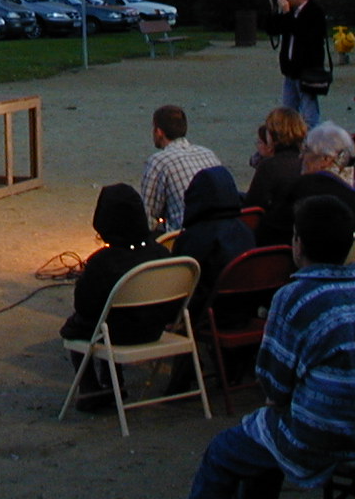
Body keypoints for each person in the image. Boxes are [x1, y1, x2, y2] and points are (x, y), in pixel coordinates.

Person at [187, 195, 355, 499]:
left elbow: (273, 382)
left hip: (319, 434)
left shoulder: (295, 296)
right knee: (261, 442)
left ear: (298, 244)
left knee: (223, 451)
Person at [61, 182, 174, 411]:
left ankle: (91, 386)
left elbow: (84, 306)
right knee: (106, 319)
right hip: (155, 328)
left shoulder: (102, 262)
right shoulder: (161, 254)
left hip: (118, 333)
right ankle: (113, 380)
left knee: (78, 326)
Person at [256, 122, 355, 247]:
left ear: (326, 159)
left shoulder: (305, 188)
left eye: (307, 150)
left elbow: (267, 232)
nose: (301, 156)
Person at [174, 165, 256, 314]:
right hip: (245, 309)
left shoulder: (195, 237)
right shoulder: (245, 230)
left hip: (209, 313)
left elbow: (179, 286)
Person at [140, 104, 221, 232]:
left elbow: (146, 216)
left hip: (186, 237)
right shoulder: (208, 154)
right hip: (220, 230)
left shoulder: (158, 161)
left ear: (159, 132)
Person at [273, 0, 328, 127]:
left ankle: (312, 142)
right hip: (290, 70)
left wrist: (286, 13)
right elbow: (275, 29)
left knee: (309, 112)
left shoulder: (314, 11)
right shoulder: (291, 12)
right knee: (288, 112)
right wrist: (277, 11)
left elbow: (301, 33)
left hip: (307, 69)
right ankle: (291, 140)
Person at [244, 107, 307, 215]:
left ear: (273, 134)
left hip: (274, 227)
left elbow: (253, 205)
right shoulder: (308, 162)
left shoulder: (269, 166)